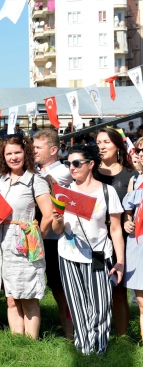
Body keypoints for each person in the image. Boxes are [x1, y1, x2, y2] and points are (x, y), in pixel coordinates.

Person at [52, 145, 124, 354]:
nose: (71, 168)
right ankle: (83, 349)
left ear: (91, 164)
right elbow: (58, 229)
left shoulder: (107, 191)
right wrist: (57, 219)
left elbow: (116, 229)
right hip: (68, 254)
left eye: (76, 163)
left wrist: (120, 262)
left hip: (99, 254)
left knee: (100, 304)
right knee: (76, 304)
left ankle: (100, 349)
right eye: (68, 163)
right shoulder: (64, 192)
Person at [0, 136, 53, 340]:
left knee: (28, 296)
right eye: (9, 153)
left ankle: (31, 342)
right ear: (2, 157)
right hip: (1, 242)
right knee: (12, 298)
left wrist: (36, 238)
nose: (13, 157)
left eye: (18, 152)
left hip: (25, 243)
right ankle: (17, 342)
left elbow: (48, 214)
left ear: (26, 154)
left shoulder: (36, 180)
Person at [94, 127, 137, 336]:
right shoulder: (90, 172)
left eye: (106, 142)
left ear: (118, 145)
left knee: (119, 291)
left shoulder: (131, 174)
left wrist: (131, 222)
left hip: (122, 239)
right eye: (98, 142)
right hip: (94, 239)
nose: (101, 146)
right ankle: (97, 333)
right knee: (96, 290)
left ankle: (120, 337)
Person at [32, 129, 73, 339]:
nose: (33, 150)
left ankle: (70, 334)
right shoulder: (35, 172)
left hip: (57, 240)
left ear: (54, 149)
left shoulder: (65, 172)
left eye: (38, 147)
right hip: (37, 237)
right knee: (35, 286)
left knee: (61, 290)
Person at [123, 137, 143, 342]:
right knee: (141, 300)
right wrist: (127, 222)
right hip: (137, 242)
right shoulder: (134, 180)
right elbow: (128, 210)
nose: (141, 153)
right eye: (139, 149)